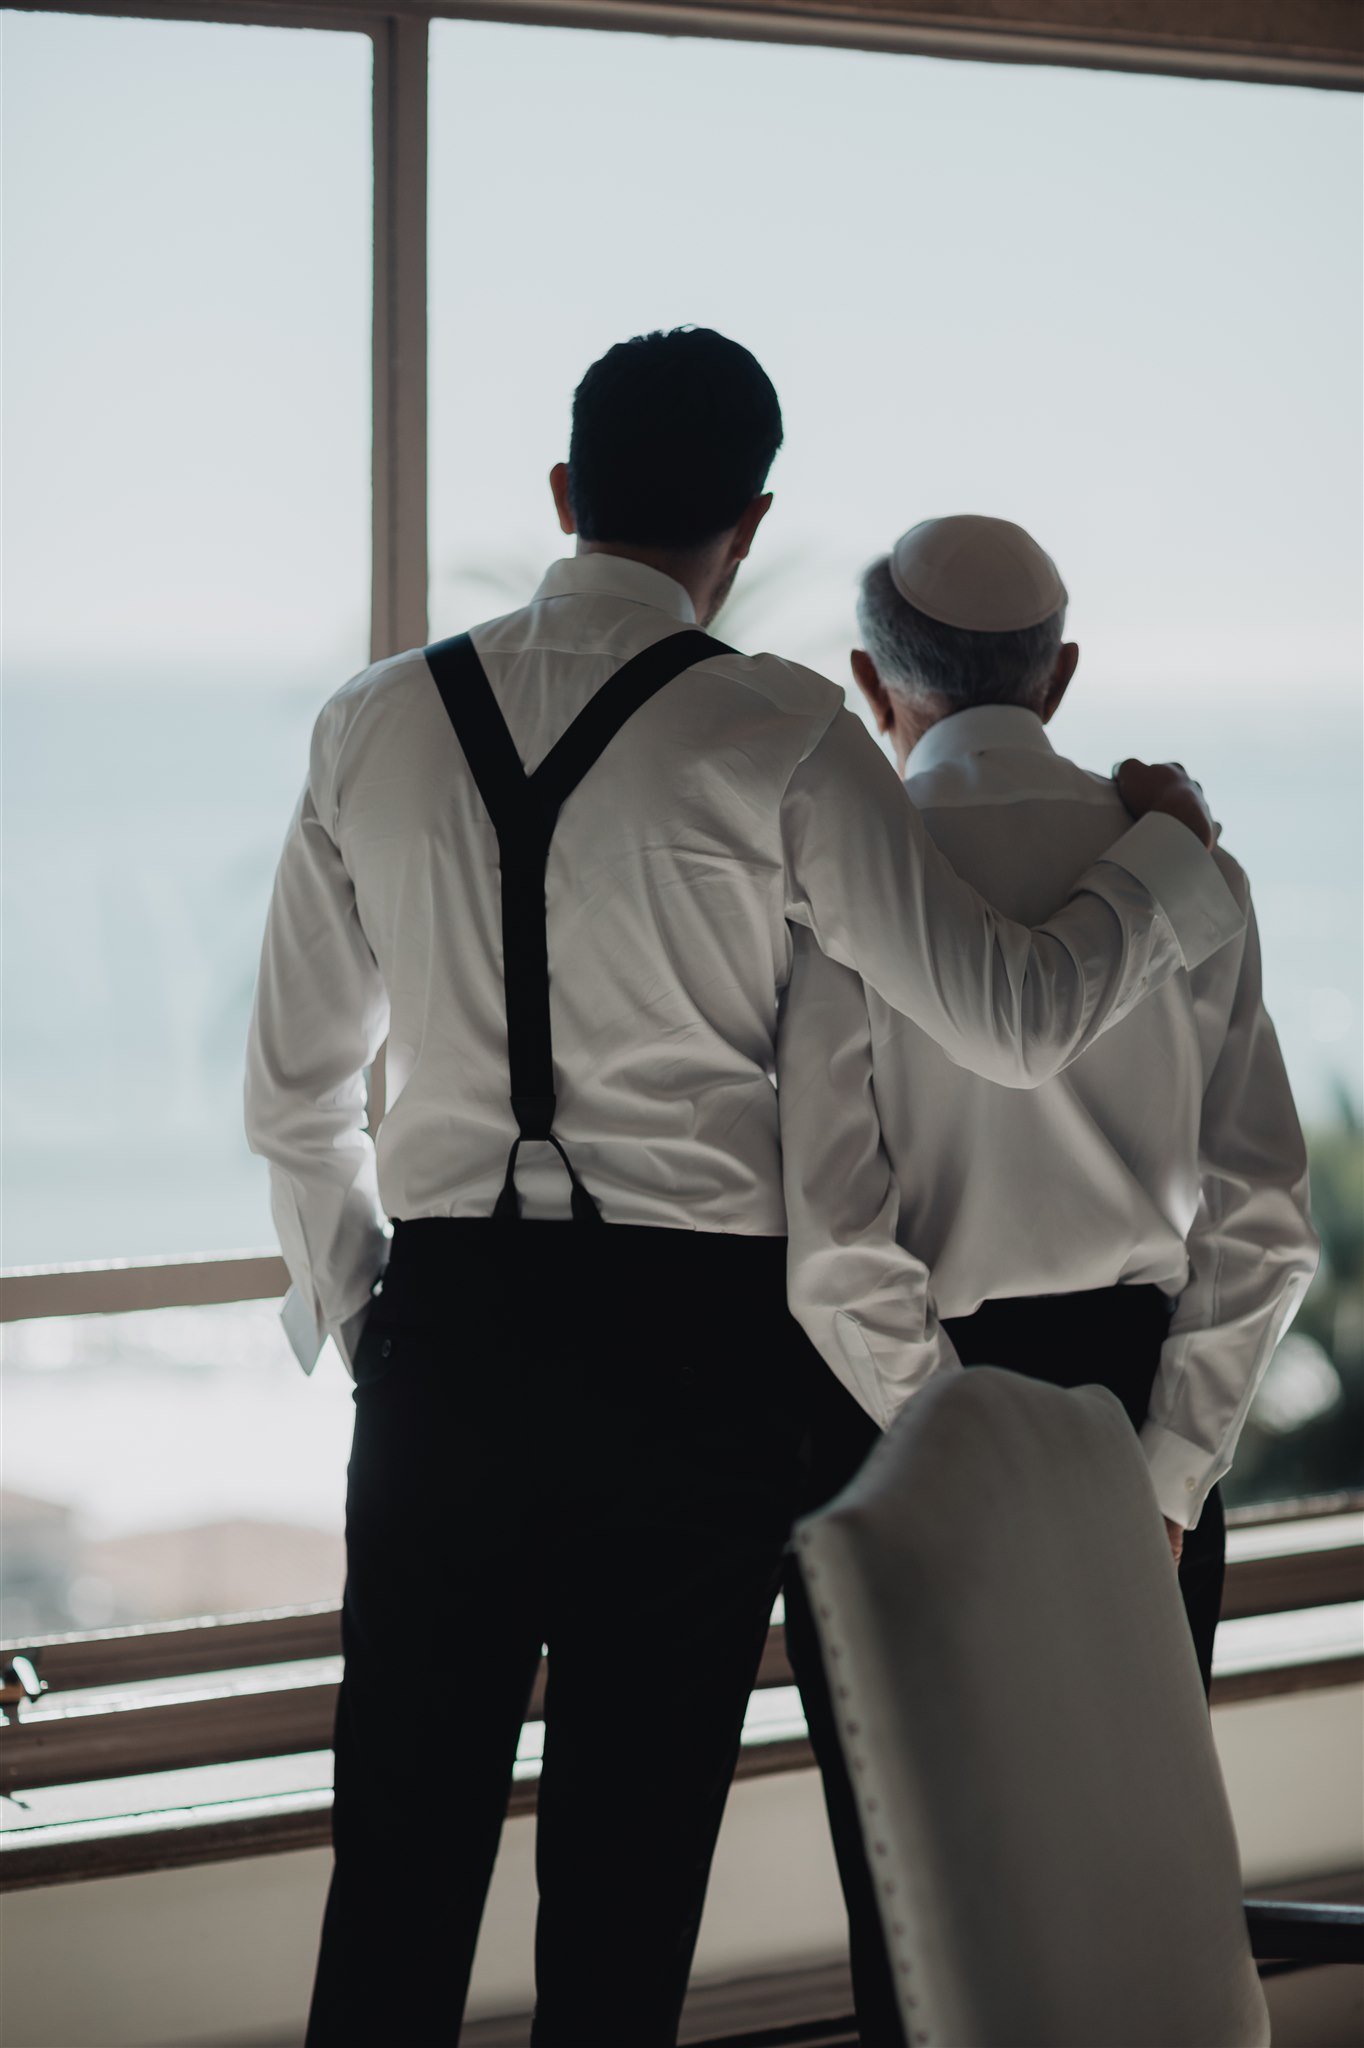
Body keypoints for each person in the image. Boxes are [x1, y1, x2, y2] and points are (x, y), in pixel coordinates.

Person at [245, 338, 1240, 2047]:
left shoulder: (372, 720)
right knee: (627, 1911)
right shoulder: (784, 729)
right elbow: (1006, 1022)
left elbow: (296, 1099)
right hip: (691, 1368)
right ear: (751, 520)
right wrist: (1168, 854)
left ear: (564, 494)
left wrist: (371, 1330)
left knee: (394, 1880)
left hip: (446, 1349)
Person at [778, 513, 1319, 2046]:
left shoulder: (850, 875)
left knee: (918, 1915)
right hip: (1133, 1417)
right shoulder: (1187, 876)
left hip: (897, 1421)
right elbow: (1263, 1214)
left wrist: (950, 1455)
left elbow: (836, 1244)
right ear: (1062, 674)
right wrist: (1166, 1475)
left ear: (873, 683)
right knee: (1132, 1903)